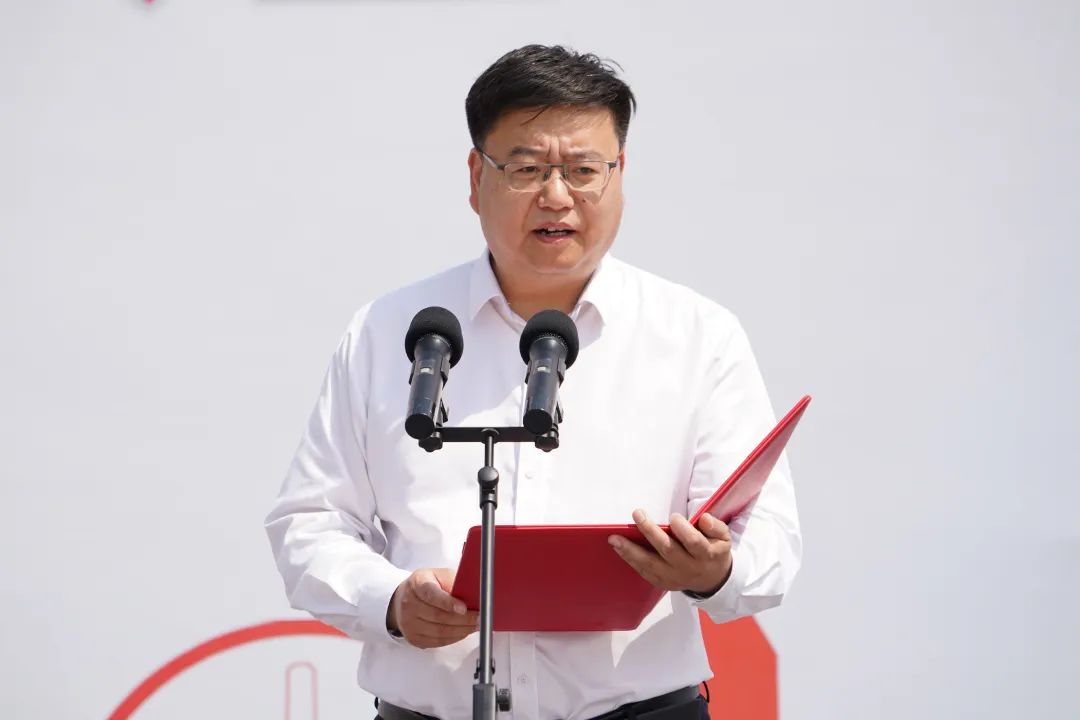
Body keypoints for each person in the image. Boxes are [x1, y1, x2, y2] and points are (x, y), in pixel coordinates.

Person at [265, 44, 801, 720]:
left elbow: (768, 539)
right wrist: (392, 603)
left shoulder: (697, 335)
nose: (556, 196)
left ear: (621, 174)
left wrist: (713, 570)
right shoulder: (387, 331)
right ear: (475, 177)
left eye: (583, 170)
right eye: (526, 169)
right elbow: (310, 523)